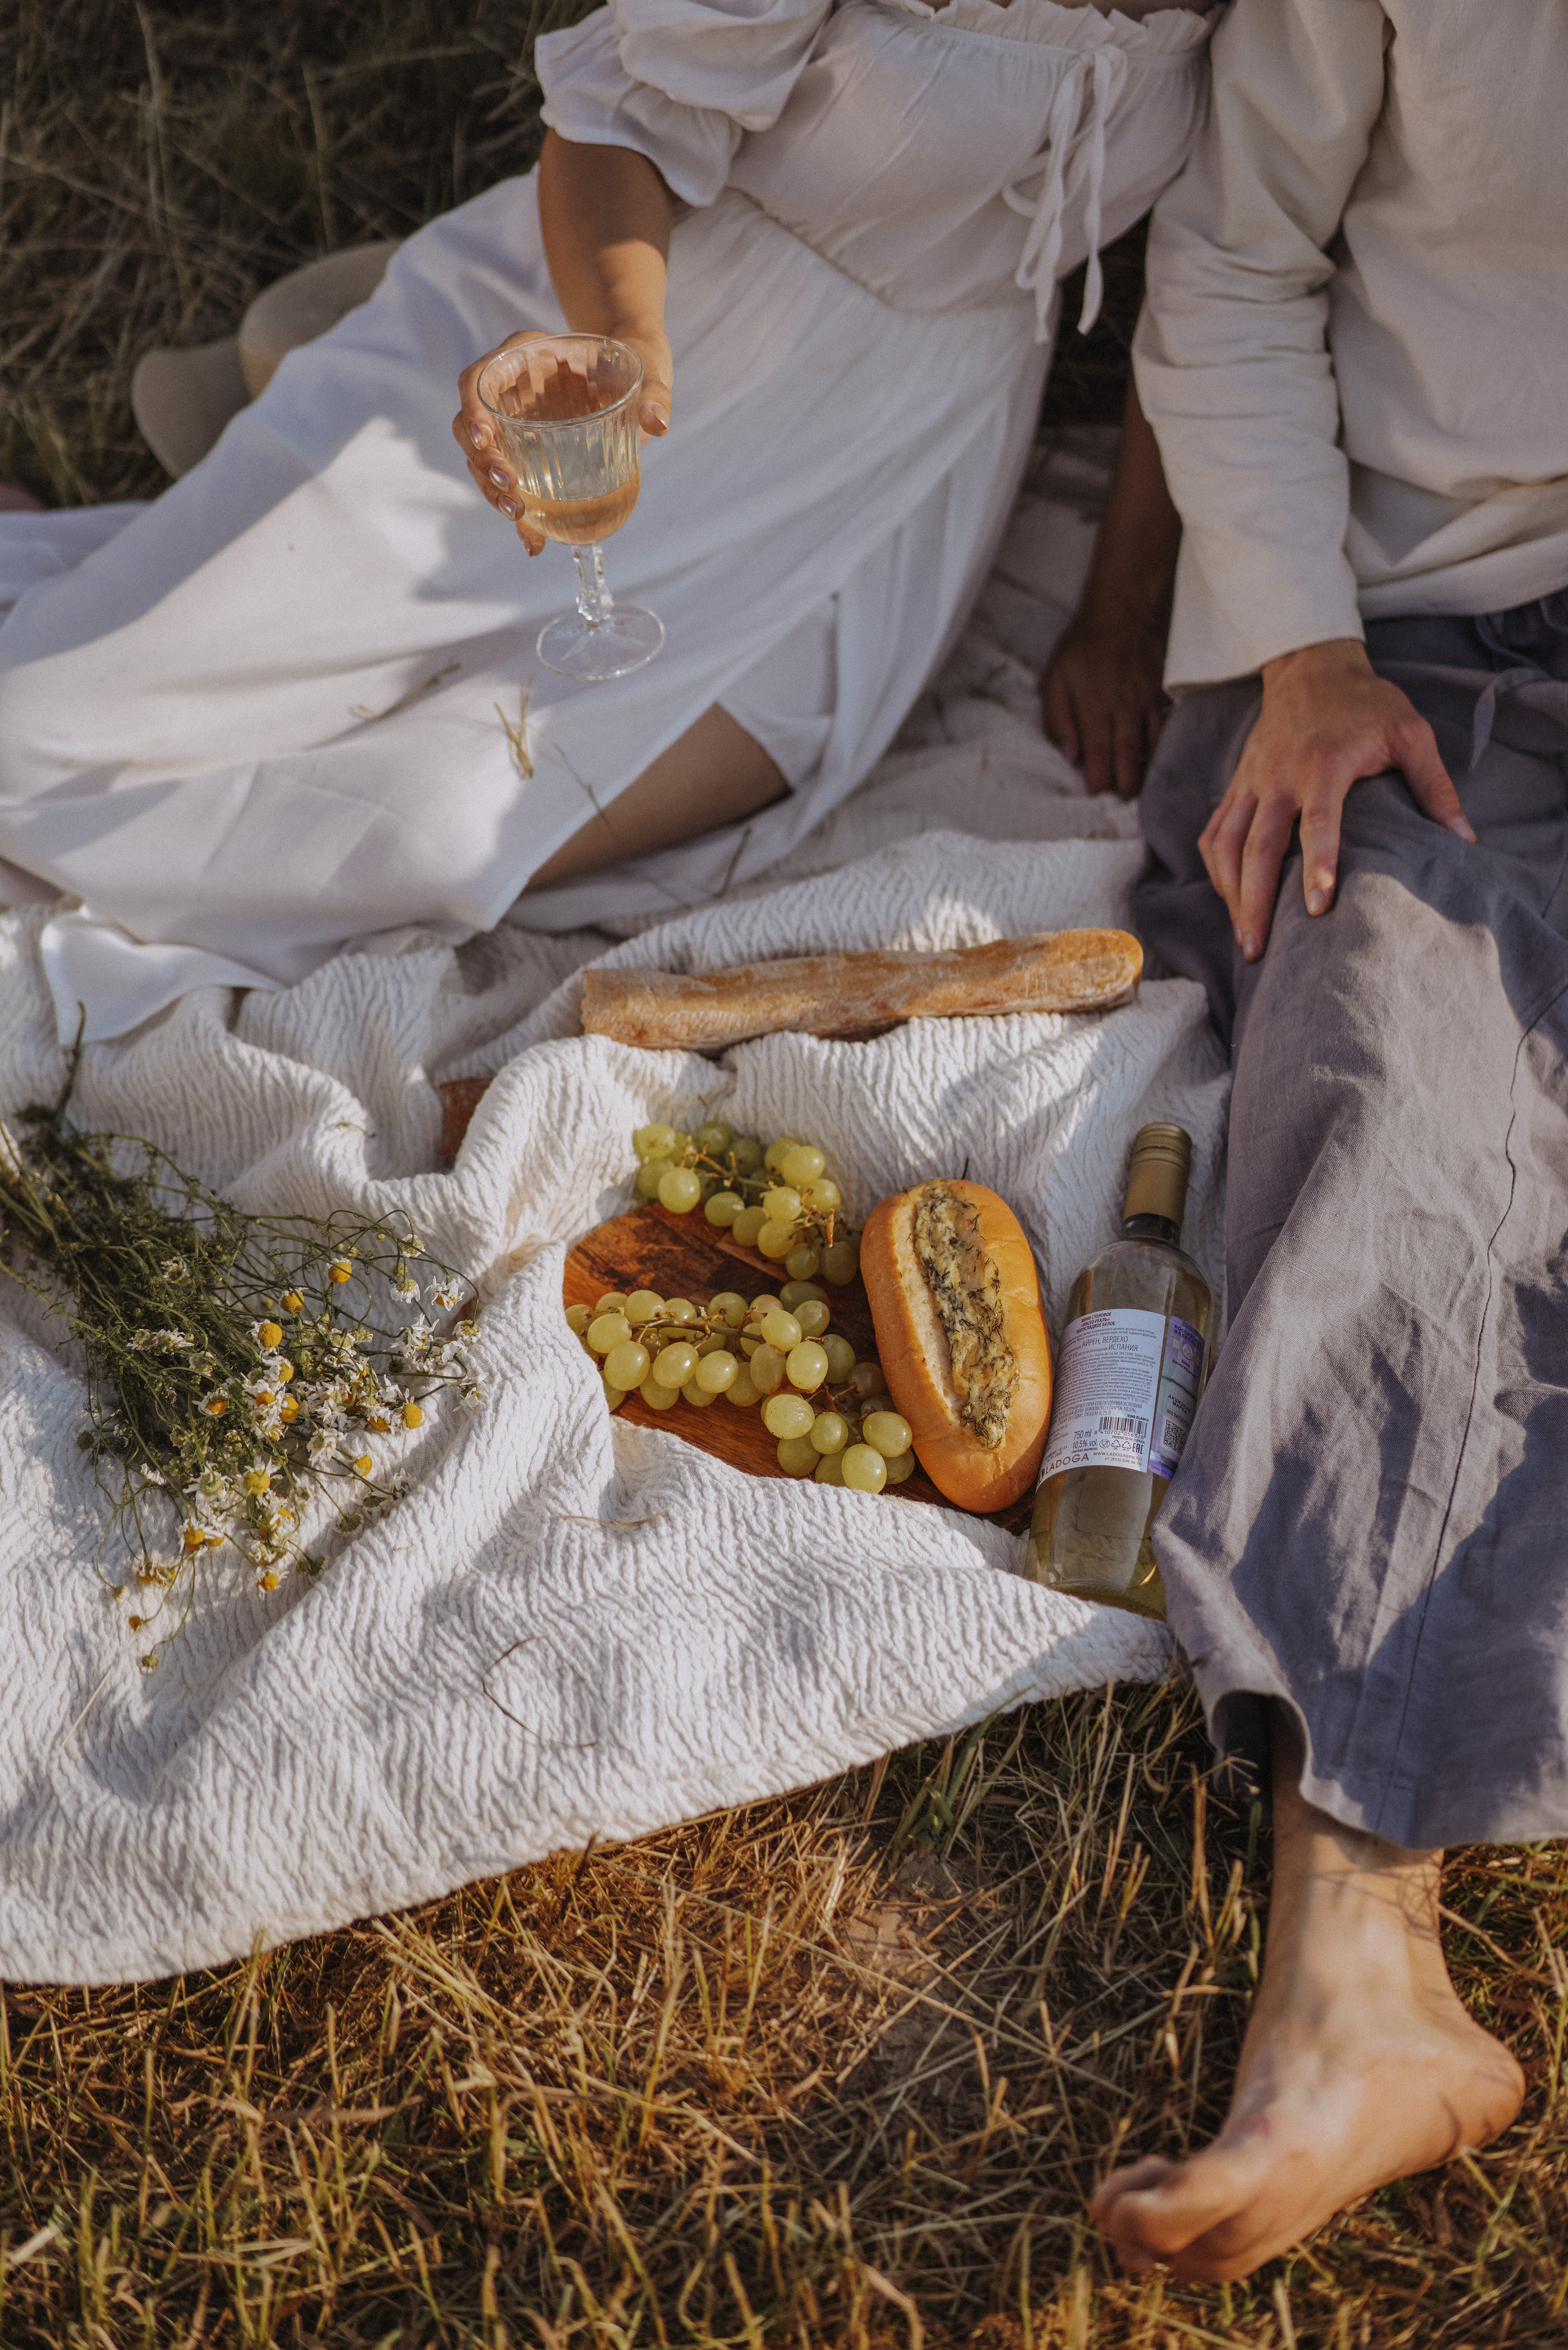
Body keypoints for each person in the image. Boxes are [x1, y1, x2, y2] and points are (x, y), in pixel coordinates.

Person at [0, 0, 1213, 1045]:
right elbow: (610, 128)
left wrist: (1116, 618)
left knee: (430, 843)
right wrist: (622, 341)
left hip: (889, 476)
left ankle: (205, 467)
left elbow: (1217, 299)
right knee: (44, 727)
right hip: (611, 326)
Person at [1085, 0, 1566, 2283]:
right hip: (1422, 644)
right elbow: (1240, 264)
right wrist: (1297, 649)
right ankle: (1359, 1959)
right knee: (1403, 1091)